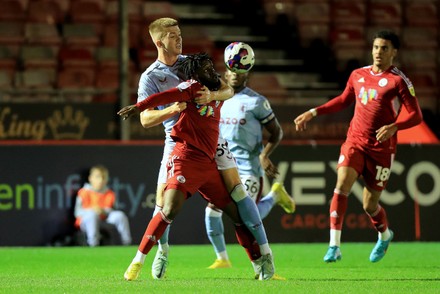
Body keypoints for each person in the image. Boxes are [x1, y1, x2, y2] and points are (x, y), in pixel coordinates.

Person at [132, 17, 281, 280]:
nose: (179, 39)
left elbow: (226, 90)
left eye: (180, 34)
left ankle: (264, 257)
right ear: (159, 42)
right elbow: (145, 119)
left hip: (214, 139)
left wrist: (212, 96)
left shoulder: (193, 64)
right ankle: (163, 250)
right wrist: (172, 109)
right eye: (173, 35)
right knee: (162, 203)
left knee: (238, 194)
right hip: (178, 142)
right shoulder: (151, 77)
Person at [293, 30, 423, 263]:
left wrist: (394, 127)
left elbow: (416, 115)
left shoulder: (398, 80)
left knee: (369, 205)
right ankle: (334, 246)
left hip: (382, 148)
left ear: (394, 52)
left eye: (384, 48)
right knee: (341, 185)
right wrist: (313, 112)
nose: (378, 52)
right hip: (355, 141)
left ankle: (384, 235)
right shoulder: (358, 75)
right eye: (375, 47)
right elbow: (343, 100)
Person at [205, 65, 296, 269]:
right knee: (211, 212)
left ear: (248, 74)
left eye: (240, 70)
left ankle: (274, 196)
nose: (235, 74)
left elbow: (276, 133)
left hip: (248, 168)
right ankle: (222, 259)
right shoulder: (218, 98)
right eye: (231, 69)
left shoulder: (256, 101)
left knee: (247, 216)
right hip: (224, 166)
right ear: (225, 73)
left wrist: (264, 155)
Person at [74, 165, 132, 247]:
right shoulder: (83, 192)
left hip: (105, 220)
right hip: (86, 222)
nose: (100, 180)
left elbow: (113, 210)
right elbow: (77, 212)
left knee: (120, 215)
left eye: (103, 177)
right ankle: (93, 244)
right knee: (92, 215)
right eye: (97, 177)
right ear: (90, 178)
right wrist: (92, 210)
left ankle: (127, 243)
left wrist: (103, 211)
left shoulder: (110, 193)